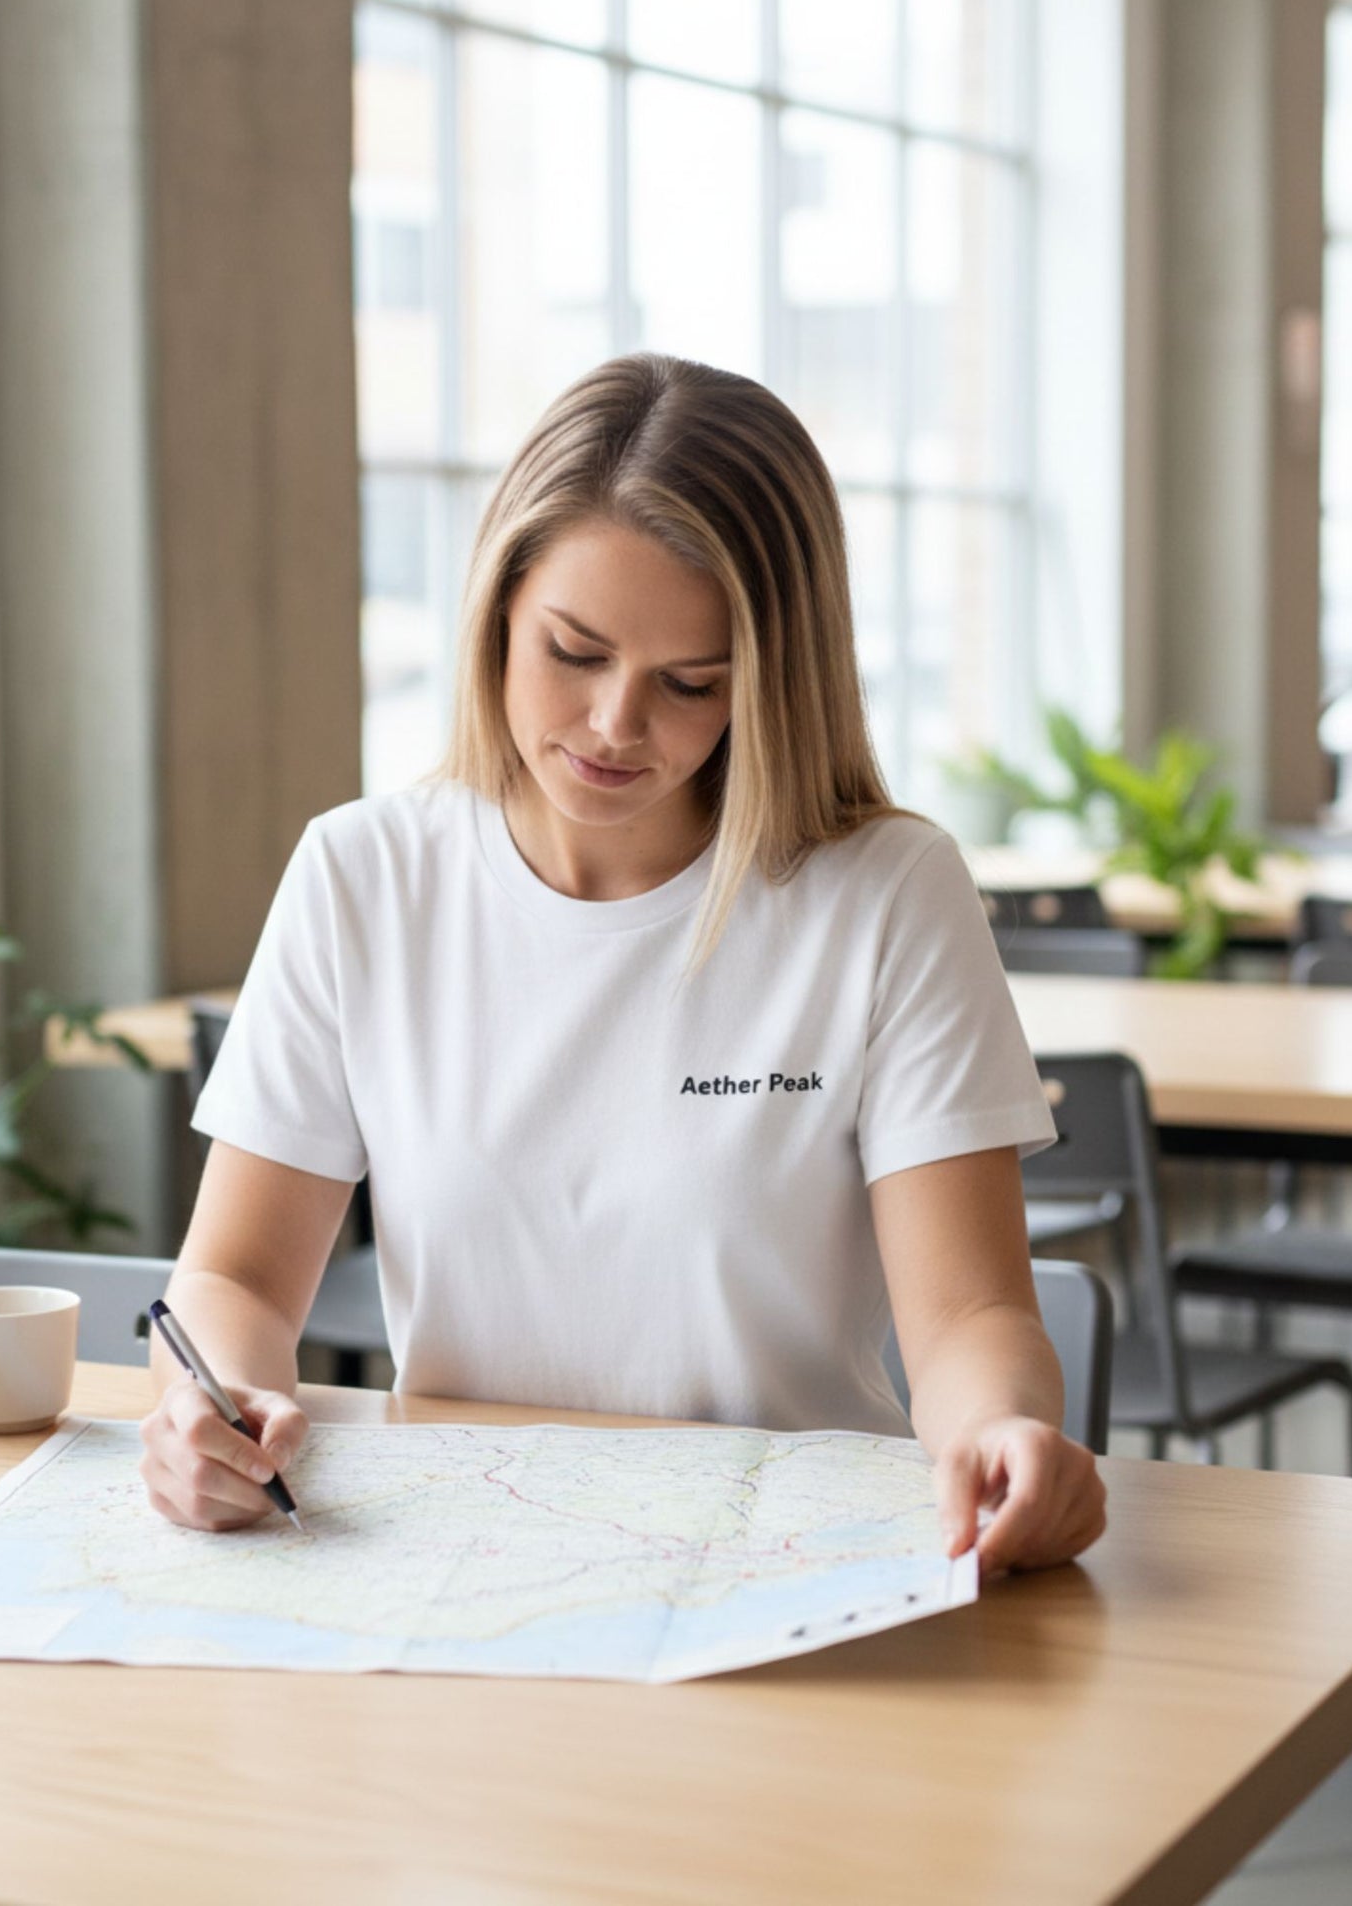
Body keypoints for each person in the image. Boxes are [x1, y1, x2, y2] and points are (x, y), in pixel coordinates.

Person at [140, 353, 1106, 1579]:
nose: (611, 725)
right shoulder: (362, 875)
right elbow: (234, 1276)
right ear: (498, 610)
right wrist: (203, 1407)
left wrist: (998, 1431)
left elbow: (969, 1315)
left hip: (790, 1566)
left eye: (688, 683)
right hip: (463, 1565)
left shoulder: (884, 895)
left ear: (768, 683)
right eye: (573, 651)